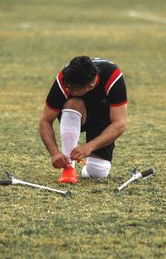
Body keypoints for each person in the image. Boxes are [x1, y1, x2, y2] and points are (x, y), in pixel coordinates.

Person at [39, 56, 128, 184]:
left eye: (72, 89)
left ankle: (88, 169)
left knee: (98, 173)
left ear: (90, 86)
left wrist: (89, 147)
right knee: (73, 103)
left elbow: (120, 123)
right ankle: (68, 168)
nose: (67, 89)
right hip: (77, 111)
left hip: (103, 118)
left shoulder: (112, 76)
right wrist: (54, 153)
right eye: (67, 86)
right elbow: (45, 121)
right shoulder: (65, 79)